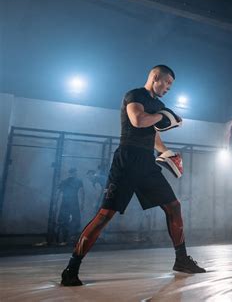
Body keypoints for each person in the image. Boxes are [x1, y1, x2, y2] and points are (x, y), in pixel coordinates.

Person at [61, 65, 205, 286]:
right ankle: (71, 268)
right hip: (127, 159)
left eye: (171, 85)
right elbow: (138, 120)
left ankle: (182, 259)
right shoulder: (135, 95)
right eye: (167, 82)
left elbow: (152, 134)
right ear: (155, 77)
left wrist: (165, 152)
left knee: (173, 206)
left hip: (147, 162)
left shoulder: (158, 105)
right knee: (104, 215)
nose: (168, 88)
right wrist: (162, 116)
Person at [56, 168, 84, 246]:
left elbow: (58, 193)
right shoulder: (78, 181)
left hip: (65, 203)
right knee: (75, 219)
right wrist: (82, 203)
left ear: (69, 173)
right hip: (73, 203)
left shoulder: (64, 182)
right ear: (74, 173)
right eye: (76, 173)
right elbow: (82, 193)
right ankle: (71, 237)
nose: (76, 174)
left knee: (64, 220)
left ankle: (64, 239)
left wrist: (55, 203)